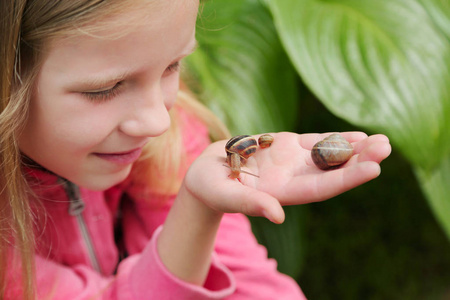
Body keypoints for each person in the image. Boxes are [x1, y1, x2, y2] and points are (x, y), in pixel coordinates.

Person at [0, 0, 392, 299]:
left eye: (173, 66)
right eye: (103, 89)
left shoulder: (167, 136)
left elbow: (249, 280)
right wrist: (198, 211)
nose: (158, 121)